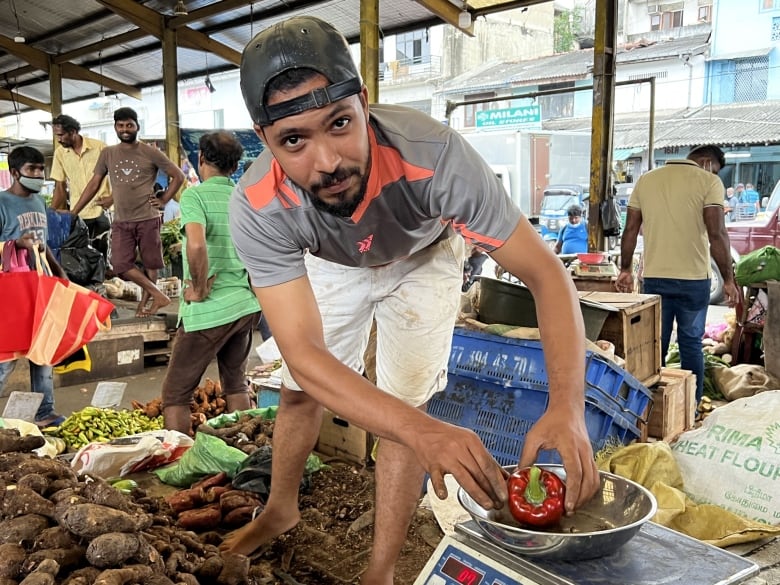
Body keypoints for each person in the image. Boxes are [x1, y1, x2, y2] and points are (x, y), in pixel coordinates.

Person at [220, 16, 599, 584]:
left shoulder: (437, 155)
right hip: (334, 261)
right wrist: (425, 437)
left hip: (422, 255)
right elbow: (303, 353)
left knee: (406, 407)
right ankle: (280, 508)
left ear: (363, 103)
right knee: (301, 391)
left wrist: (567, 405)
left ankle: (382, 569)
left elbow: (547, 275)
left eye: (340, 124)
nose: (326, 162)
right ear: (263, 137)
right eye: (293, 141)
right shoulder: (257, 206)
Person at [616, 144, 739, 403]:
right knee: (691, 343)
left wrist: (625, 269)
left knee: (653, 344)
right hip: (694, 280)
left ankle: (649, 406)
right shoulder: (708, 182)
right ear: (706, 162)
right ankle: (691, 407)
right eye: (714, 170)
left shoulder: (646, 181)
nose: (714, 175)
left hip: (655, 278)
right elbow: (717, 233)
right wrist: (728, 280)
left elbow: (630, 230)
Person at [161, 131, 261, 435]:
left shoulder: (195, 195)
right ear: (234, 165)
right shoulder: (244, 197)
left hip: (209, 312)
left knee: (175, 394)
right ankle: (246, 447)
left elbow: (196, 244)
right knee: (235, 383)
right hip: (245, 306)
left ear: (201, 158)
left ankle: (178, 459)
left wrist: (201, 287)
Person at [70, 107, 185, 317]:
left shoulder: (150, 151)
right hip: (122, 220)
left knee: (151, 264)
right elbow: (95, 183)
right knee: (121, 265)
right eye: (120, 125)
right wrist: (74, 211)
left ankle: (146, 304)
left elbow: (178, 175)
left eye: (129, 125)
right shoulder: (108, 153)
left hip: (148, 217)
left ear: (137, 126)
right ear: (115, 127)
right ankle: (158, 294)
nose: (125, 129)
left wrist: (164, 199)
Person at [0, 146, 68, 428]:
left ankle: (45, 411)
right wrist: (15, 243)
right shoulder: (2, 203)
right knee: (7, 354)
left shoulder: (39, 202)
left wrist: (60, 271)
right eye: (32, 170)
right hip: (13, 288)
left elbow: (44, 243)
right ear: (15, 173)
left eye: (41, 169)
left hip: (40, 285)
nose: (39, 175)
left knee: (43, 347)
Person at [49, 114, 112, 258]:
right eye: (56, 136)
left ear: (73, 132)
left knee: (104, 255)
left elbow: (118, 177)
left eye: (61, 135)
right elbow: (60, 187)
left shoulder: (100, 148)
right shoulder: (60, 154)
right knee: (81, 257)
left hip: (103, 210)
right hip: (79, 214)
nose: (58, 140)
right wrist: (51, 212)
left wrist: (113, 198)